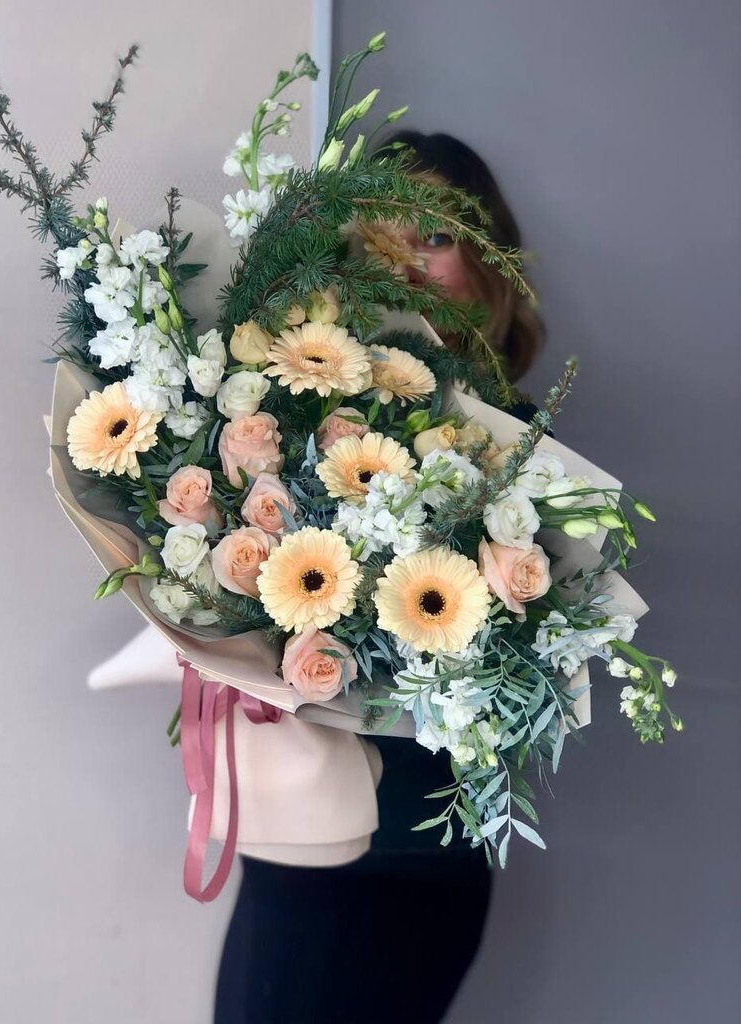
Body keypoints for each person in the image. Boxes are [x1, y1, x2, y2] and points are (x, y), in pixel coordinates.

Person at [214, 132, 546, 1024]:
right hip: (304, 835)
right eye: (382, 233)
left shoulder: (531, 447)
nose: (405, 262)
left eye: (434, 236)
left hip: (428, 849)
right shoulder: (295, 410)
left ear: (488, 263)